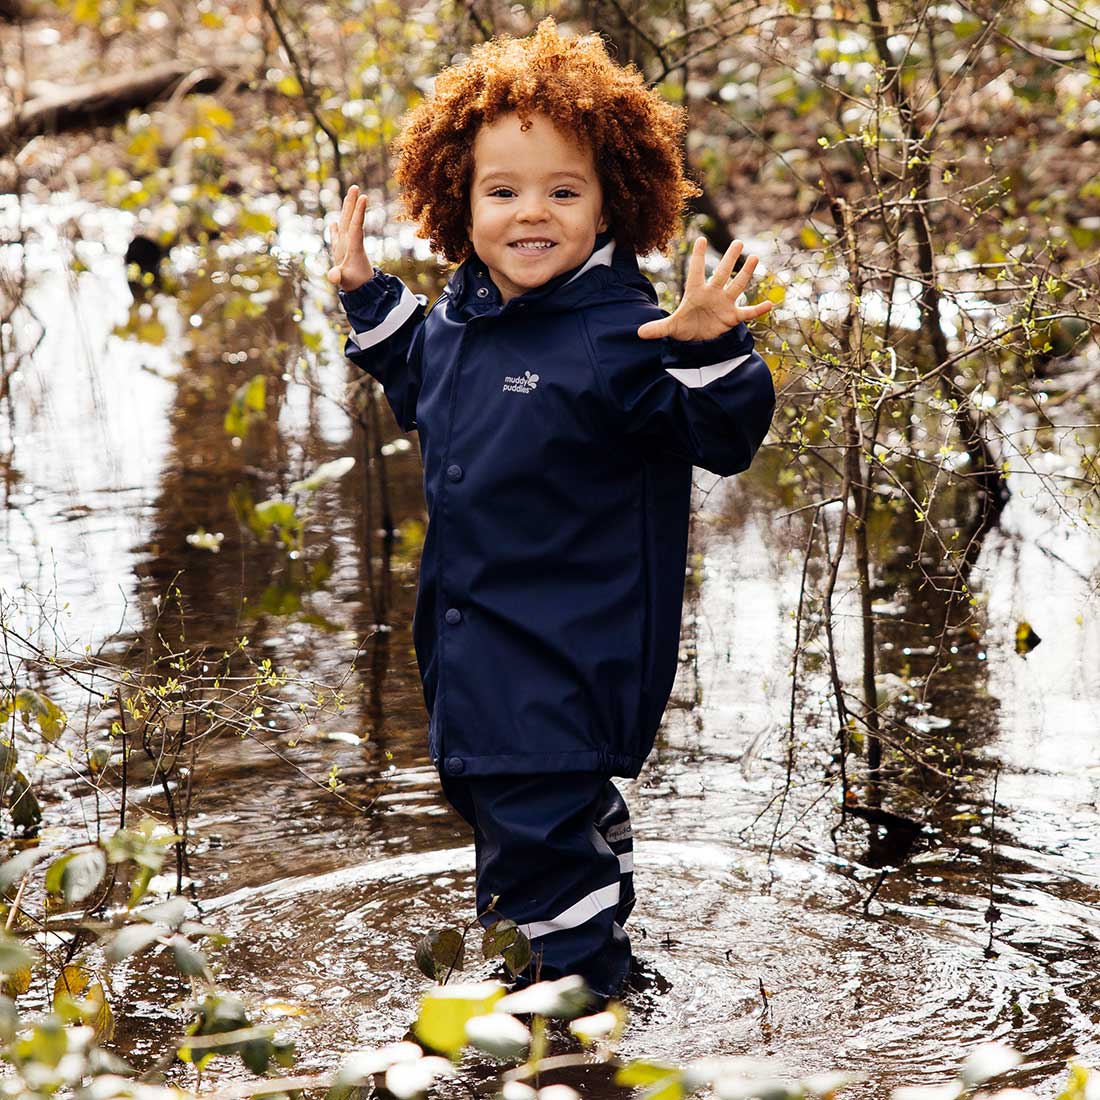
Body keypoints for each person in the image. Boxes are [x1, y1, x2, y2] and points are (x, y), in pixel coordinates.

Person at [327, 17, 776, 1000]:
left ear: (612, 198)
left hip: (564, 660)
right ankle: (600, 968)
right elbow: (423, 376)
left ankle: (568, 1023)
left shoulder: (620, 333)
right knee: (536, 837)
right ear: (458, 198)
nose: (532, 214)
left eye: (563, 192)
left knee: (531, 868)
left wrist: (708, 348)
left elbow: (722, 436)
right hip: (475, 658)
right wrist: (366, 296)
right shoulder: (464, 314)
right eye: (503, 192)